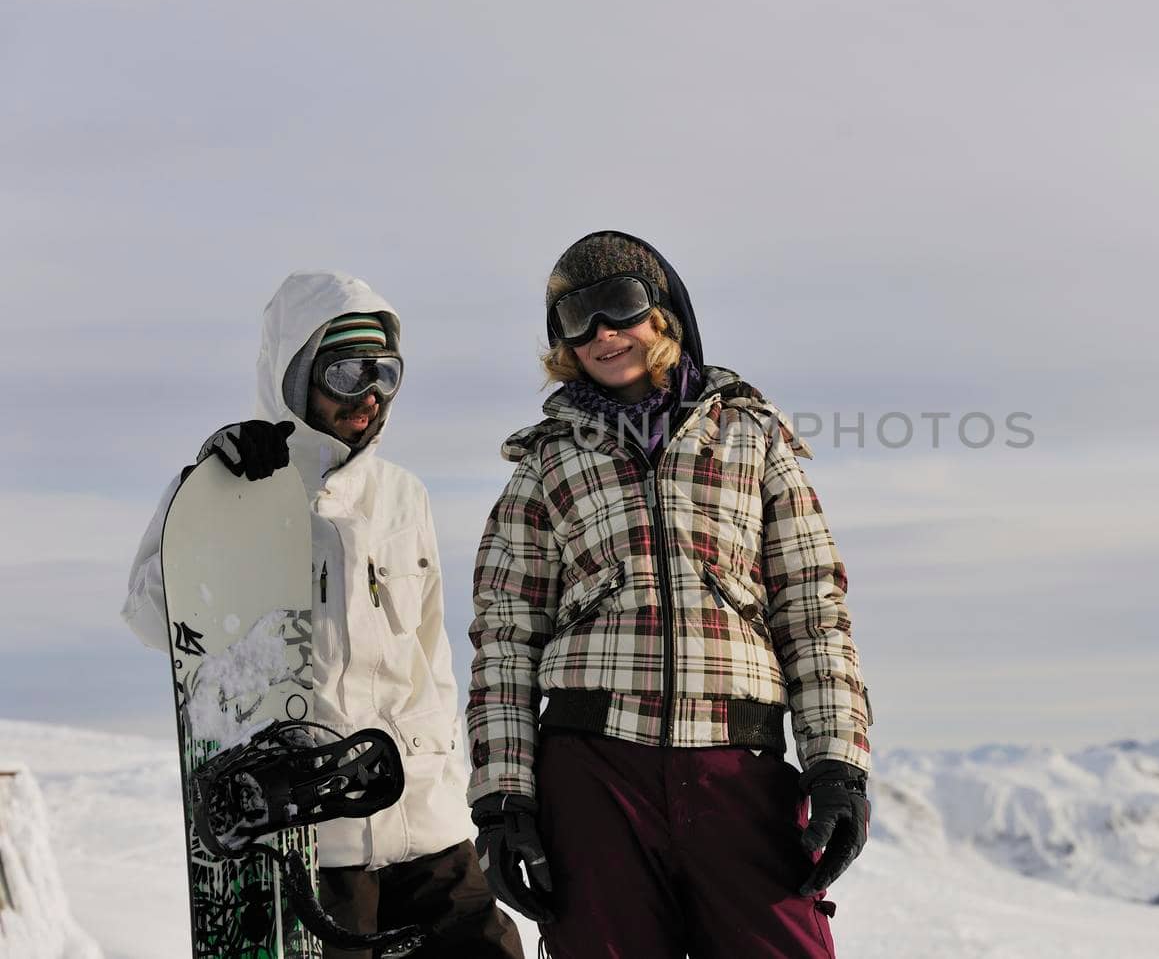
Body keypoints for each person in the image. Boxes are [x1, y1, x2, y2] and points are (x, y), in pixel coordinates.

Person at [467, 231, 874, 958]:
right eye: (575, 318)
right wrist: (504, 800)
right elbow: (505, 638)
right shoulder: (545, 464)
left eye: (619, 306)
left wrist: (837, 765)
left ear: (665, 314)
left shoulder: (752, 438)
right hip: (593, 773)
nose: (602, 332)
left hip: (736, 765)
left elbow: (813, 612)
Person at [122, 270, 523, 959]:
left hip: (429, 829)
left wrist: (454, 789)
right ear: (297, 373)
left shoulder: (406, 496)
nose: (368, 393)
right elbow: (151, 612)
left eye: (385, 373)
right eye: (345, 371)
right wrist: (202, 491)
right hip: (314, 841)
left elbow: (434, 663)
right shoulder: (241, 490)